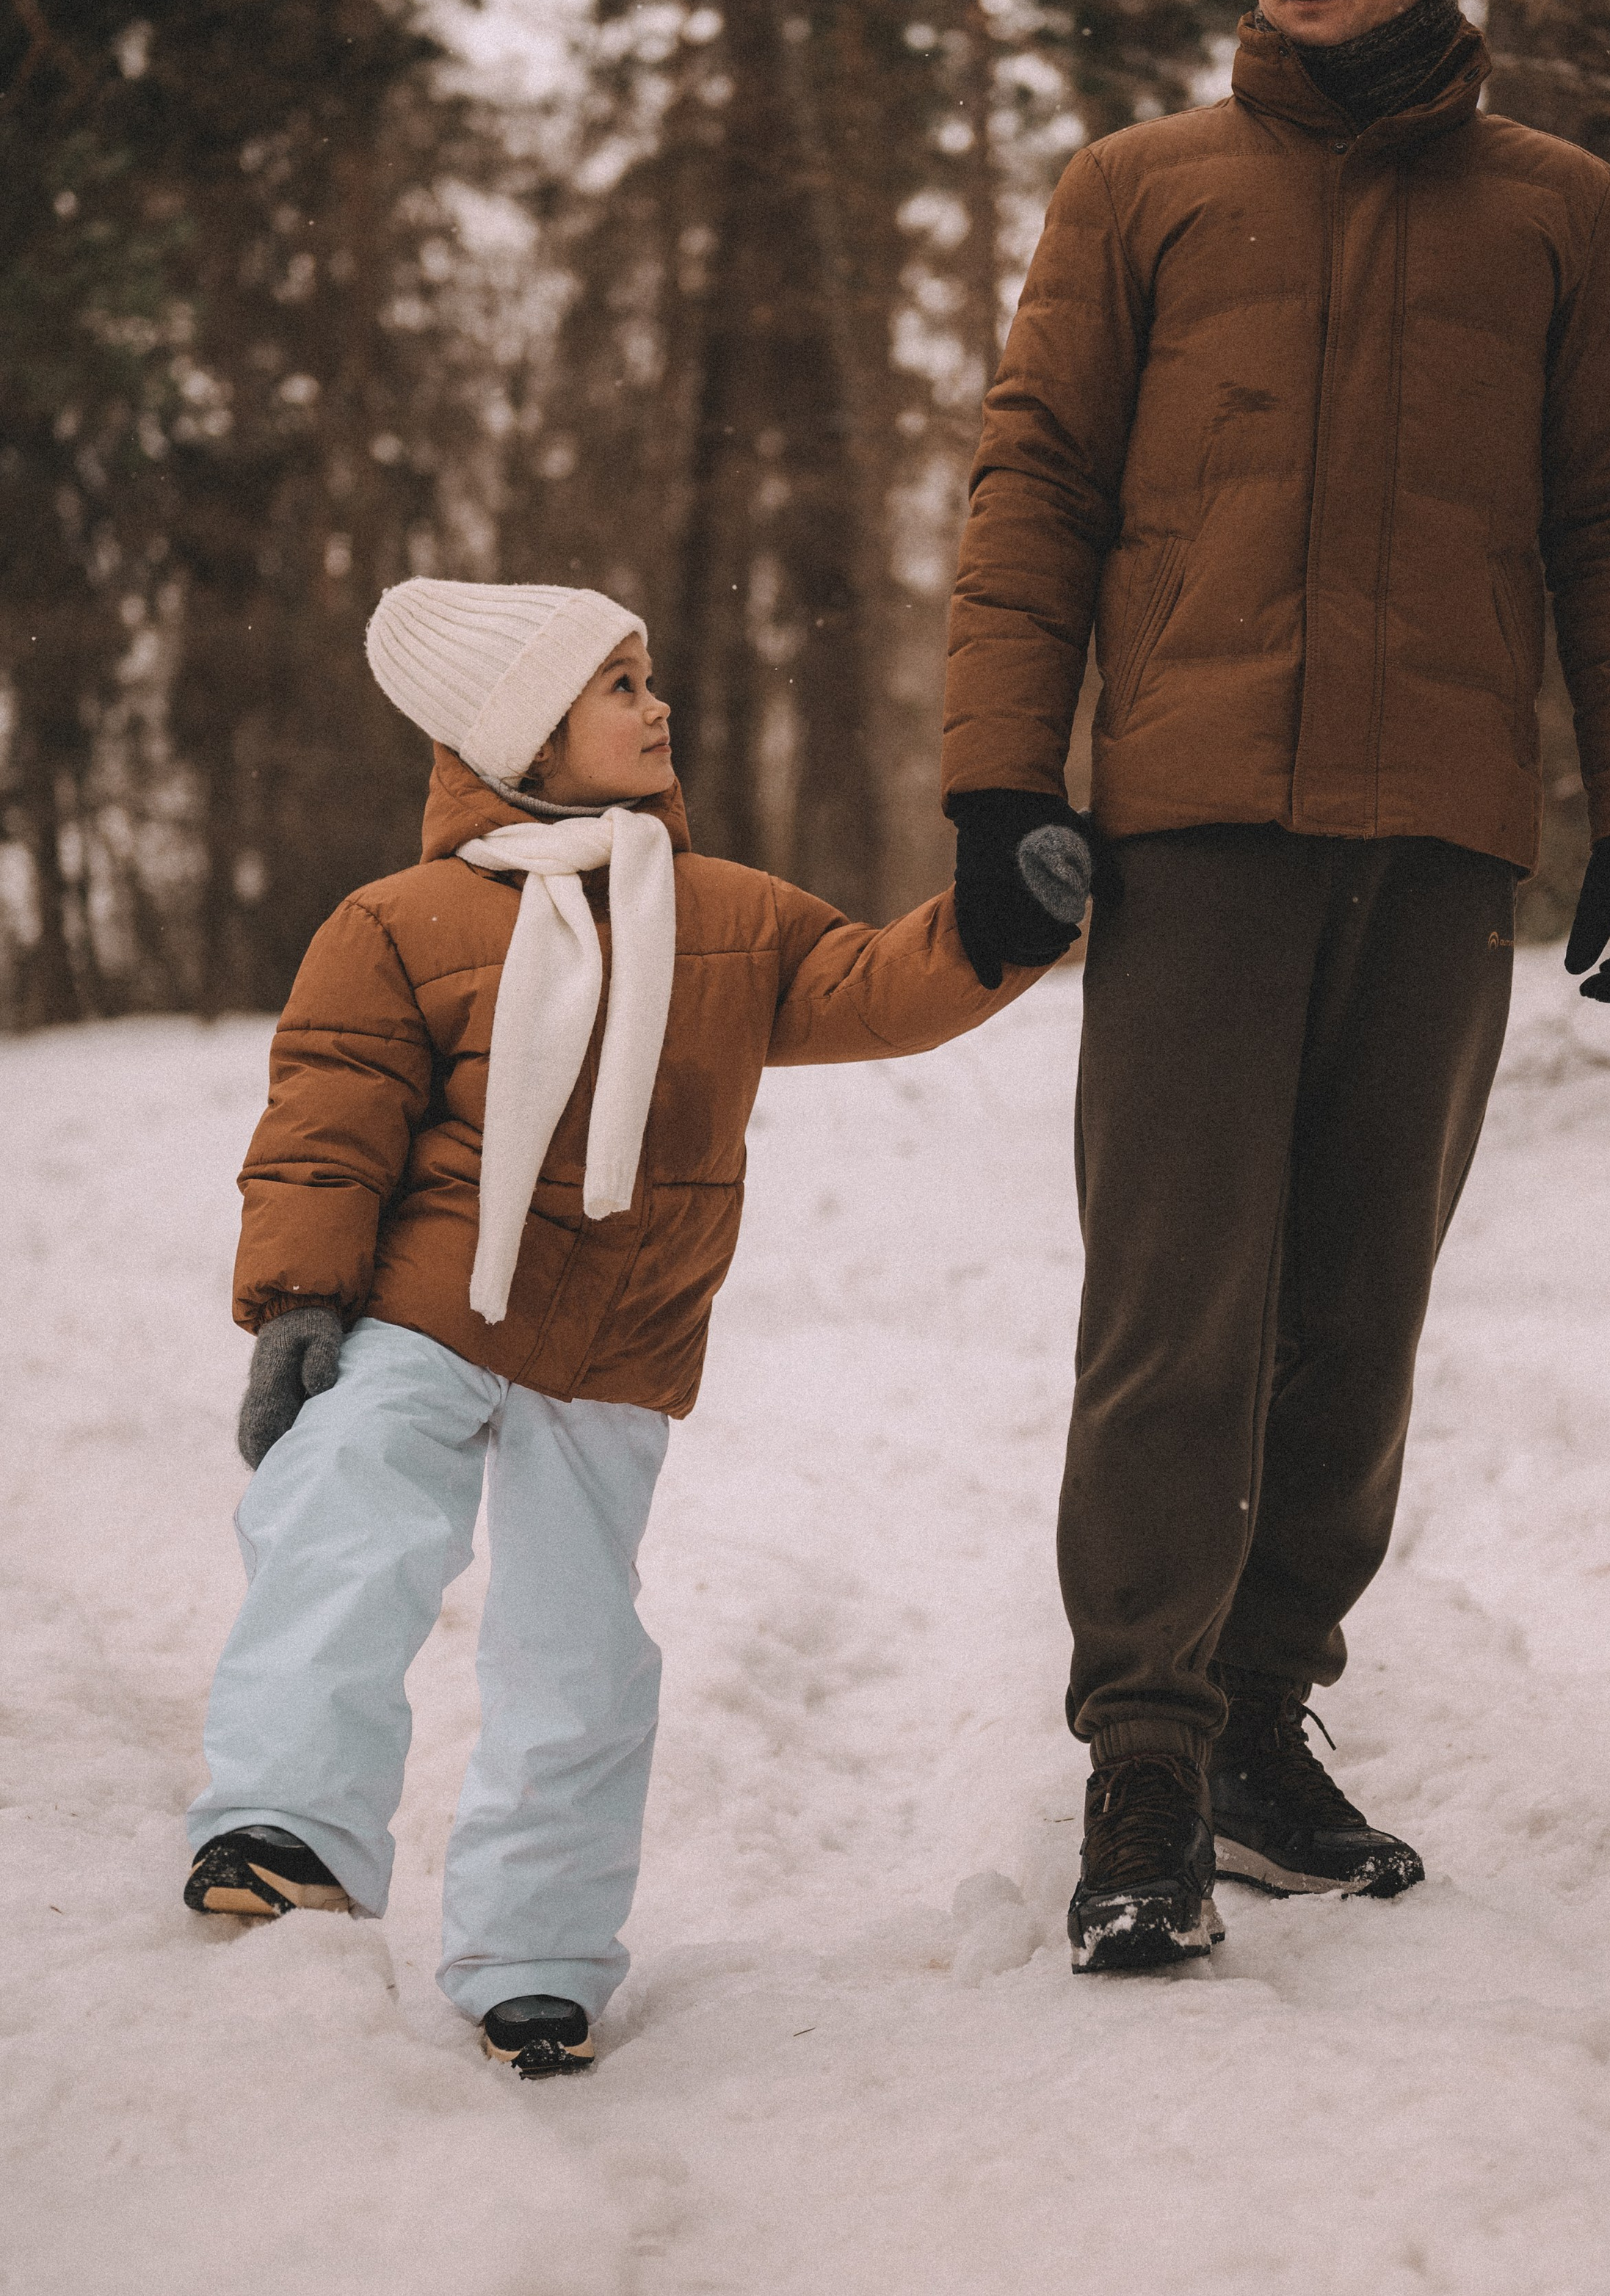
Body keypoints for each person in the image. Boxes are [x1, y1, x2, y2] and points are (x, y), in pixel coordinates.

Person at [941, 0, 1610, 1974]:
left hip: (1439, 835)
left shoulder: (1559, 213)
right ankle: (1143, 1758)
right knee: (1174, 1310)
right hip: (1195, 829)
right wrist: (1000, 785)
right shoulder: (1139, 191)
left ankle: (1262, 1717)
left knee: (1359, 1312)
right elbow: (1035, 485)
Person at [185, 579, 1065, 2074]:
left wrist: (1003, 923)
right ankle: (287, 1827)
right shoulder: (398, 922)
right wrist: (300, 1302)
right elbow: (326, 1124)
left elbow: (871, 987)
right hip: (433, 1301)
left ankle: (534, 1951)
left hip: (616, 1344)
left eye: (649, 677)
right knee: (342, 1520)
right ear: (527, 731)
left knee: (578, 1647)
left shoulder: (726, 912)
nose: (658, 707)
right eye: (620, 684)